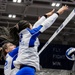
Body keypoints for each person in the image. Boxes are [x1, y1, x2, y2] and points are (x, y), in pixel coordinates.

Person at [10, 5, 68, 75]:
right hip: (27, 69)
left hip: (25, 68)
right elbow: (45, 24)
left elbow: (36, 25)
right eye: (30, 24)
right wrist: (58, 12)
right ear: (28, 27)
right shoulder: (30, 34)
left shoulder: (23, 35)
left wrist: (45, 16)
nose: (32, 25)